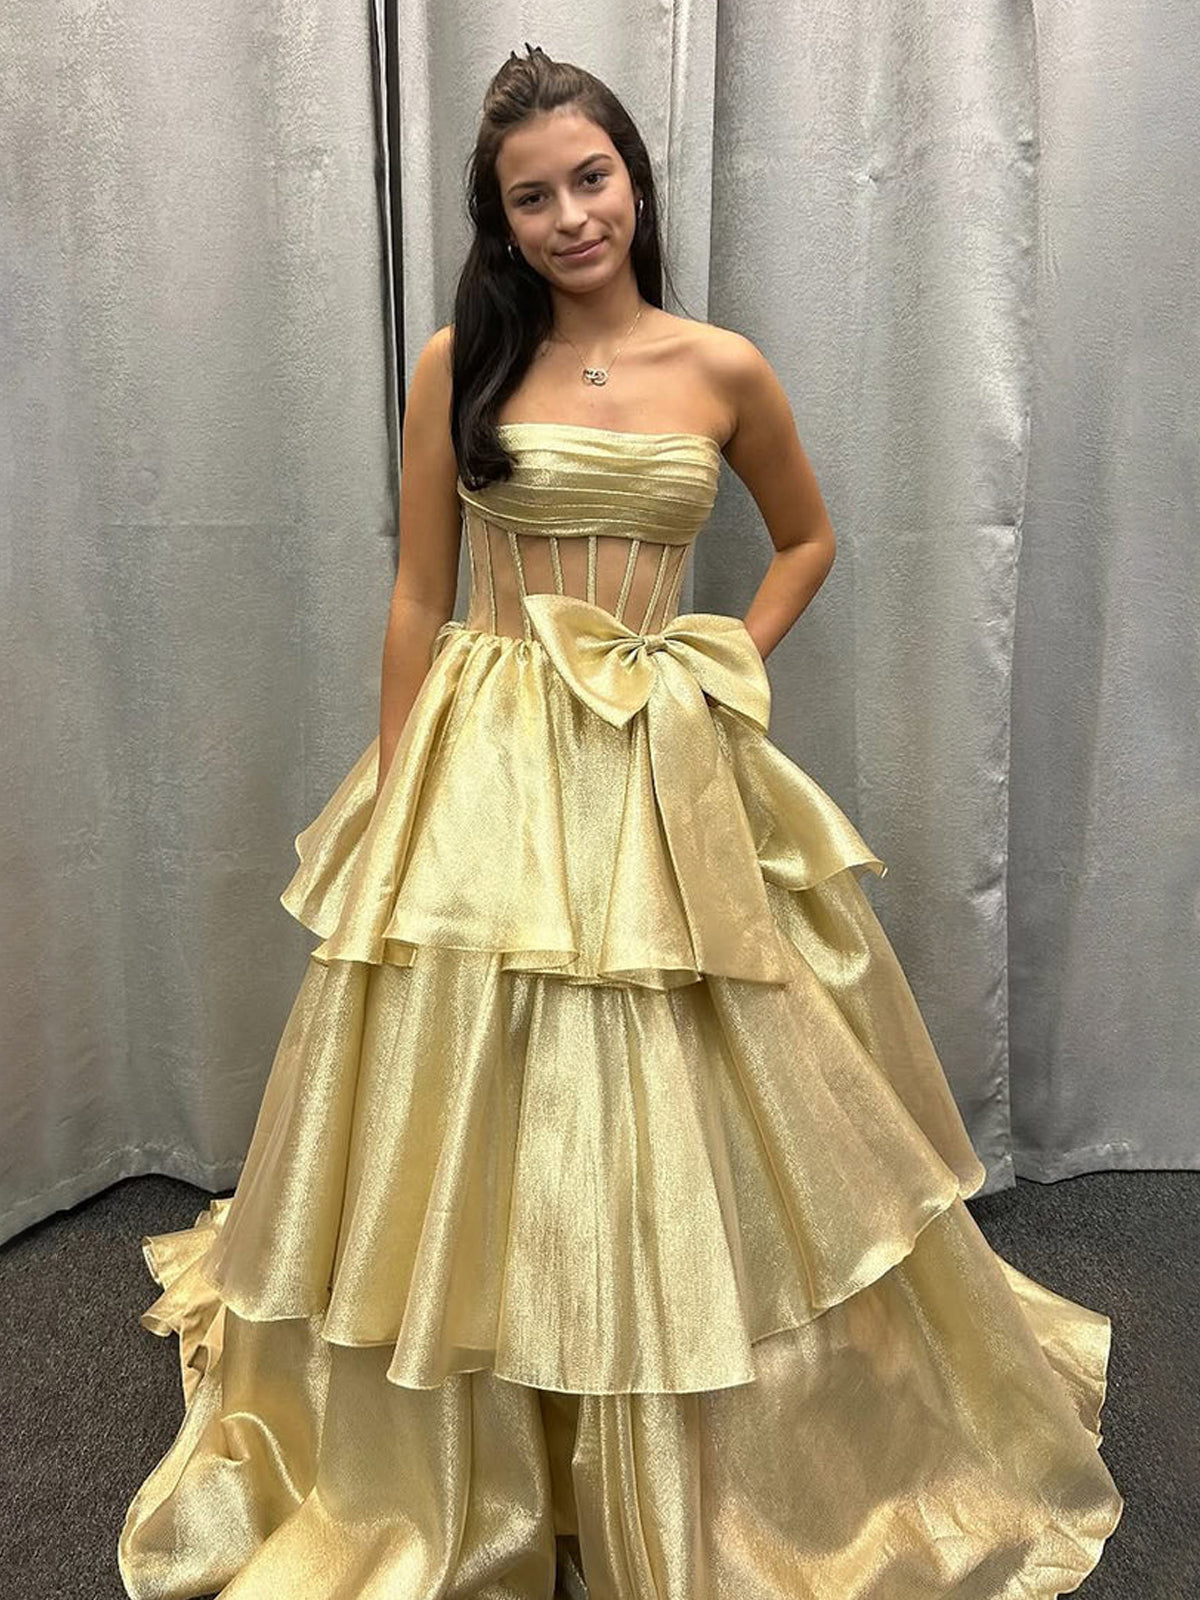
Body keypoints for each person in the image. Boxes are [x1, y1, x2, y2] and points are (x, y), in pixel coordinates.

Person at [118, 43, 1123, 1600]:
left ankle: (698, 1412)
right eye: (534, 197)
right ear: (503, 220)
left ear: (635, 182)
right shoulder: (459, 361)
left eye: (591, 179)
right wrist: (401, 782)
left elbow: (808, 538)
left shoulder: (722, 367)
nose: (572, 215)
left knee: (698, 1071)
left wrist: (715, 664)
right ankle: (474, 1435)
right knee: (466, 1075)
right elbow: (418, 591)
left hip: (661, 755)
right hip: (489, 748)